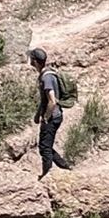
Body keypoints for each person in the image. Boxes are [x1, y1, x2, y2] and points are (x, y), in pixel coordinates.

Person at [29, 48, 71, 180]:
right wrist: (38, 114)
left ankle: (46, 176)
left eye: (31, 59)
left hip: (52, 117)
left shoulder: (46, 78)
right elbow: (45, 100)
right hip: (55, 116)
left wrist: (46, 117)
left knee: (45, 148)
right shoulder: (48, 74)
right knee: (45, 146)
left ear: (35, 61)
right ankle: (65, 168)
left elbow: (52, 101)